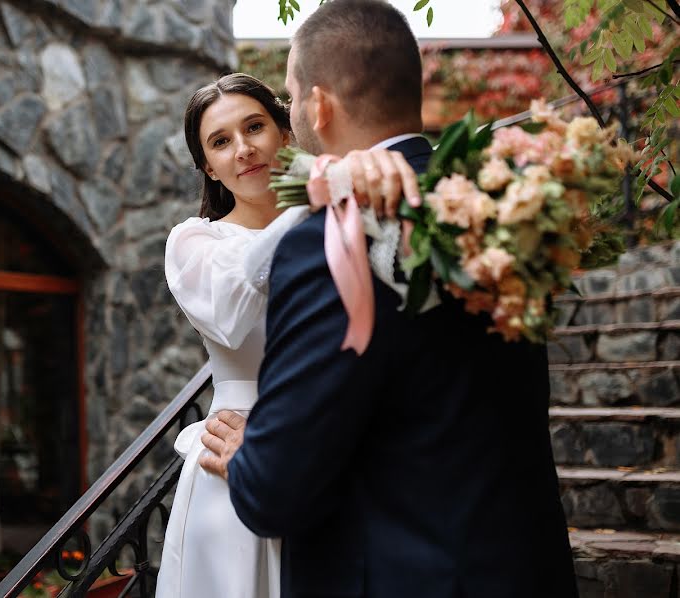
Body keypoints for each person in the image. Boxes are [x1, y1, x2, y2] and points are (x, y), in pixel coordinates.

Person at [199, 2, 579, 598]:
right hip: (525, 567)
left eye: (291, 96)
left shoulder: (338, 236)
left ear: (318, 106)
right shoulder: (498, 203)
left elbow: (274, 493)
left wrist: (253, 453)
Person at [156, 72, 421, 598]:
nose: (244, 149)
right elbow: (230, 312)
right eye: (221, 141)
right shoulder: (194, 240)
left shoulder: (347, 222)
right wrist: (315, 198)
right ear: (208, 165)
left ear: (286, 131)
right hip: (233, 465)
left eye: (255, 127)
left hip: (338, 455)